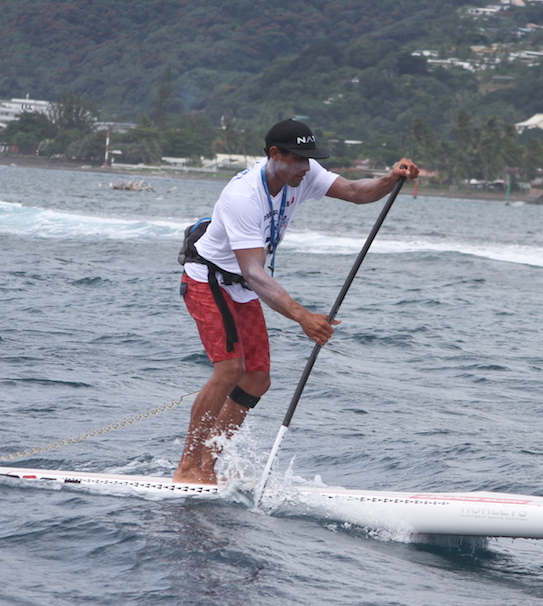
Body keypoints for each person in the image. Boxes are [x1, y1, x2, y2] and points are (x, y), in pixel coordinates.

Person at [174, 118, 419, 484]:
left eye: (309, 160)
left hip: (242, 284)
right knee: (229, 369)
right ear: (274, 154)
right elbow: (256, 273)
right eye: (298, 160)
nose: (306, 168)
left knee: (257, 378)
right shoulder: (243, 197)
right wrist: (303, 316)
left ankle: (208, 465)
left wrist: (390, 179)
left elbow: (355, 191)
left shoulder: (301, 174)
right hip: (208, 279)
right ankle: (187, 467)